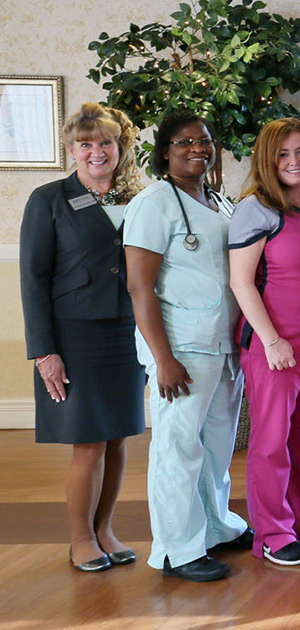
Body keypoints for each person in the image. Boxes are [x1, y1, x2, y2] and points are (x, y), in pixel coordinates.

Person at [123, 112, 251, 582]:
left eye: (205, 141)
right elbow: (140, 288)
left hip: (225, 343)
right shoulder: (153, 203)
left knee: (216, 445)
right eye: (185, 143)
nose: (198, 149)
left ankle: (216, 527)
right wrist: (163, 358)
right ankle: (178, 549)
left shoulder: (218, 200)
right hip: (182, 347)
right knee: (177, 448)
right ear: (164, 151)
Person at [20, 103, 147, 573]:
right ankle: (80, 538)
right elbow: (33, 278)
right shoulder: (49, 199)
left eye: (106, 142)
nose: (97, 152)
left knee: (118, 439)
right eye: (86, 144)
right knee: (88, 442)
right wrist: (44, 352)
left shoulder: (139, 198)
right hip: (73, 337)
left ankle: (106, 530)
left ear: (120, 147)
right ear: (71, 149)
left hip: (126, 333)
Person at [228, 118, 300, 566]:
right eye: (283, 154)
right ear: (267, 160)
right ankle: (272, 532)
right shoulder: (256, 209)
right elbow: (241, 282)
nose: (295, 161)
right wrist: (271, 341)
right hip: (273, 345)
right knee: (271, 441)